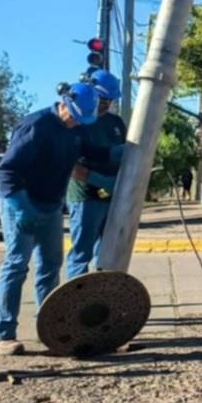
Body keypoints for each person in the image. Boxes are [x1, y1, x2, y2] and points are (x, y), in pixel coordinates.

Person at [0, 82, 122, 355]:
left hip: (50, 205)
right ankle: (3, 334)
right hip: (22, 201)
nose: (76, 123)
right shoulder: (35, 126)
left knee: (51, 266)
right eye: (74, 117)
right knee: (16, 265)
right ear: (64, 103)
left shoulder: (76, 128)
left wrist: (116, 152)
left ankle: (48, 327)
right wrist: (20, 207)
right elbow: (7, 171)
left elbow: (88, 151)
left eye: (81, 120)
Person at [64, 70, 126, 280]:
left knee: (107, 253)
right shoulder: (78, 121)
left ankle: (100, 293)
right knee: (81, 254)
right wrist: (99, 180)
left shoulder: (115, 123)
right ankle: (76, 294)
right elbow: (71, 165)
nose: (105, 104)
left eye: (109, 100)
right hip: (85, 197)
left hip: (111, 197)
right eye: (102, 99)